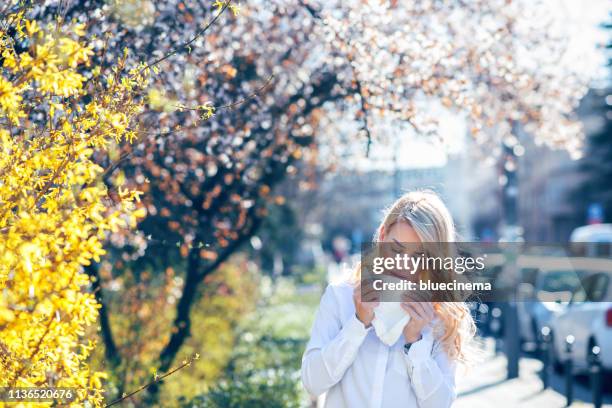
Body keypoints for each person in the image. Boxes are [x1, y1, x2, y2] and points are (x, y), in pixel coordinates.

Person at [301, 191, 476, 408]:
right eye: (396, 249)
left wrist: (415, 342)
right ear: (382, 236)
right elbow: (312, 383)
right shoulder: (341, 296)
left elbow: (440, 405)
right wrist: (357, 323)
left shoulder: (439, 316)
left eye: (419, 256)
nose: (403, 265)